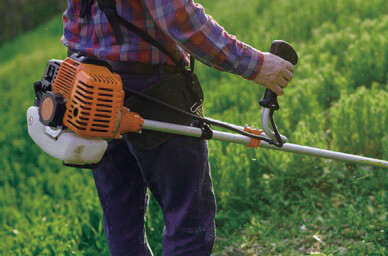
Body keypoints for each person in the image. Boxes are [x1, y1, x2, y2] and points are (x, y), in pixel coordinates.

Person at [61, 0, 294, 255]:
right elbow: (178, 17)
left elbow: (74, 20)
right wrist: (256, 65)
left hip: (89, 86)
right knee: (188, 222)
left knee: (122, 224)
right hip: (151, 88)